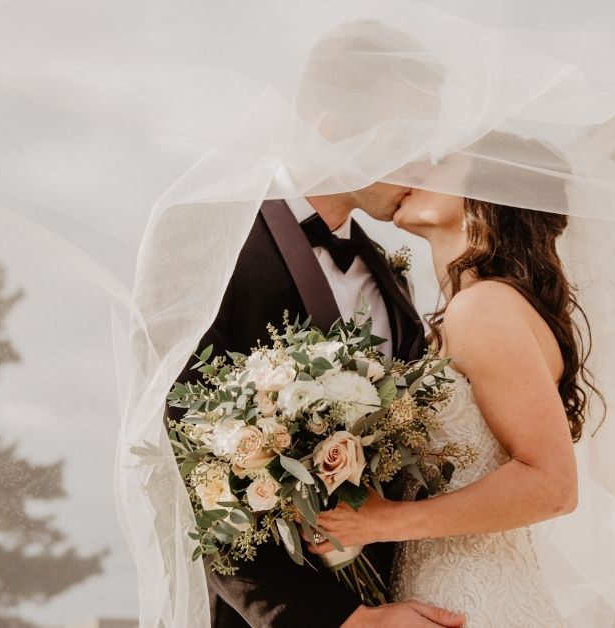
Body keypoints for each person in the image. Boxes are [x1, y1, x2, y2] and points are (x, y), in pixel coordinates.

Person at [167, 20, 463, 628]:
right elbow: (185, 463)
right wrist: (343, 620)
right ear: (333, 131)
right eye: (407, 137)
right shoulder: (207, 241)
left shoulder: (393, 280)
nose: (426, 160)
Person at [311, 136, 593, 627]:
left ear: (485, 194)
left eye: (440, 164)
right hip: (442, 589)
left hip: (474, 599)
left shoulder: (483, 308)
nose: (416, 168)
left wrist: (382, 522)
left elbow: (553, 485)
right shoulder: (470, 310)